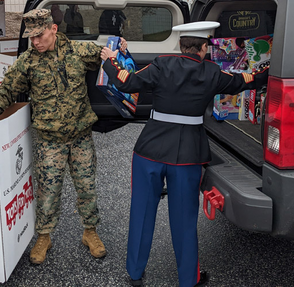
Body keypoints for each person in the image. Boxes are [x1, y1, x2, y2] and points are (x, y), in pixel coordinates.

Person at [100, 22, 269, 287]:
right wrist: (269, 69)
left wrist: (111, 61)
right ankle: (189, 279)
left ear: (181, 44)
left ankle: (134, 273)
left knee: (142, 213)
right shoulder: (213, 72)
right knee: (184, 220)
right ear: (203, 47)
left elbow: (127, 82)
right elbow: (243, 82)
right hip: (188, 156)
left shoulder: (161, 64)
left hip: (149, 152)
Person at [0, 9, 114, 265]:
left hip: (81, 136)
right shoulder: (27, 62)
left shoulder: (77, 51)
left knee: (87, 187)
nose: (35, 42)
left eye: (39, 35)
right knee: (48, 191)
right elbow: (6, 91)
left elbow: (105, 53)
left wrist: (119, 47)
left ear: (53, 29)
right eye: (31, 37)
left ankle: (90, 232)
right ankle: (44, 236)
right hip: (50, 141)